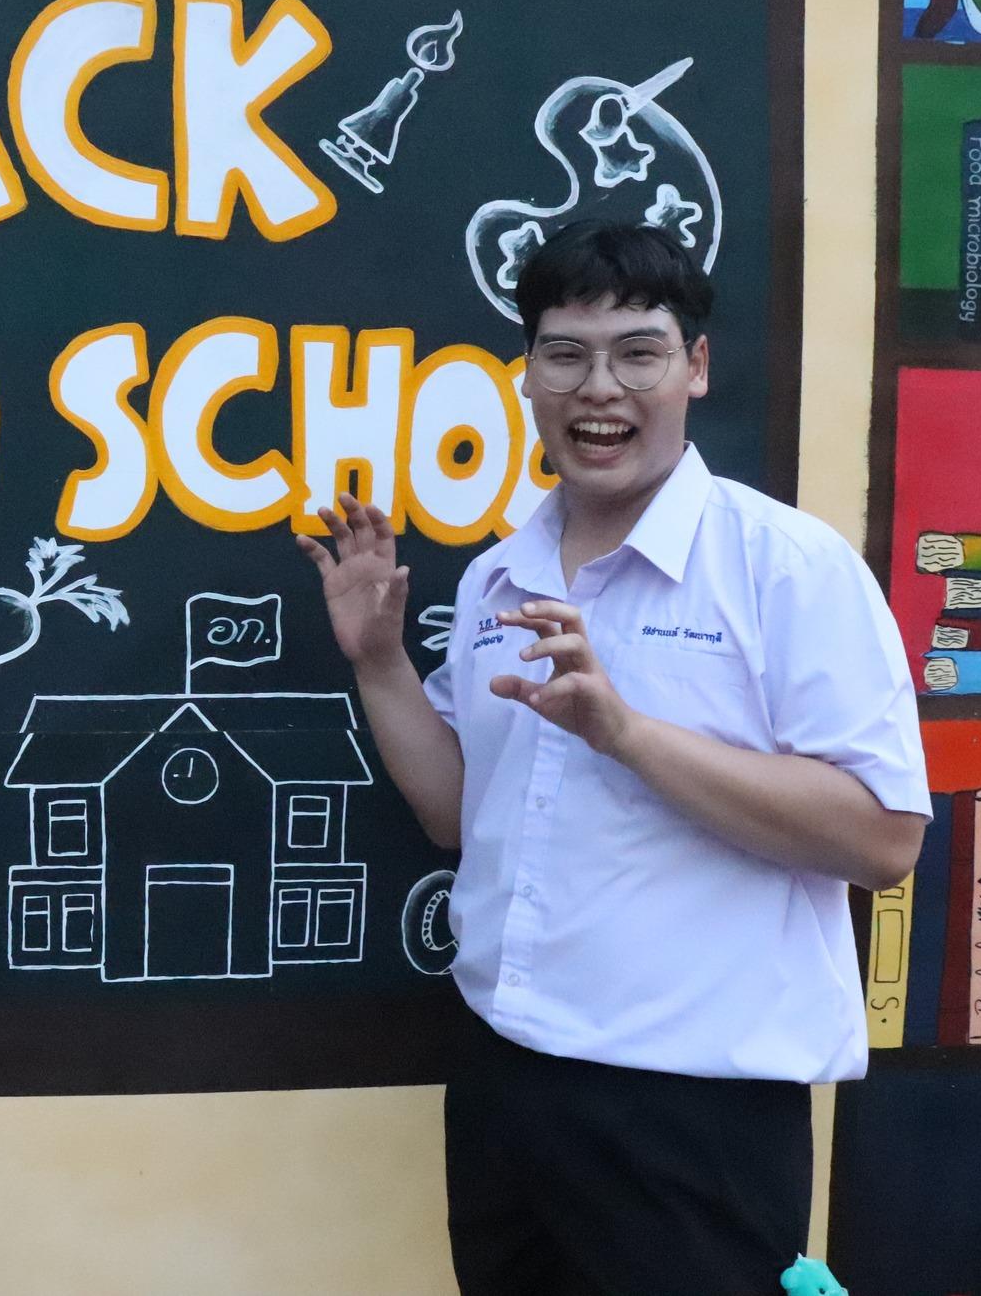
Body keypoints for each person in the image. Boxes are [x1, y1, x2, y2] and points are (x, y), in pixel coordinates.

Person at [298, 222, 929, 1293]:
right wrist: (380, 663)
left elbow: (882, 838)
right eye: (565, 353)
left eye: (638, 352)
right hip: (504, 1084)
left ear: (695, 366)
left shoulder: (784, 567)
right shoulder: (499, 577)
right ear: (527, 375)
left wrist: (627, 735)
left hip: (692, 1117)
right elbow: (457, 814)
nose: (599, 388)